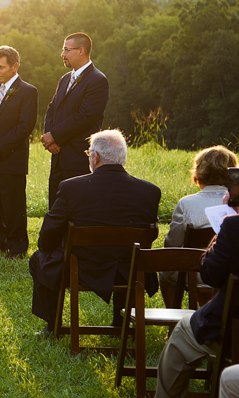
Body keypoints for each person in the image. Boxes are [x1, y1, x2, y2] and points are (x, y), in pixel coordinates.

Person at [29, 129, 160, 335]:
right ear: (122, 158)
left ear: (95, 157)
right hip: (130, 270)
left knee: (41, 258)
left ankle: (53, 326)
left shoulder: (71, 188)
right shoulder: (150, 191)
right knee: (121, 258)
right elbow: (151, 235)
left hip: (82, 270)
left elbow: (48, 234)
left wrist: (50, 248)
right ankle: (122, 322)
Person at [155, 180, 239, 398]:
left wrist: (225, 226)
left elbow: (210, 274)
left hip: (229, 326)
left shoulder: (232, 225)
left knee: (182, 333)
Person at [0, 45, 38, 259]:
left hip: (12, 158)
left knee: (13, 203)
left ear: (15, 66)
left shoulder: (28, 91)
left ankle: (17, 247)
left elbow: (24, 127)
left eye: (1, 67)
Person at [159, 145, 237, 307]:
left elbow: (171, 246)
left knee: (165, 272)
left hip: (196, 272)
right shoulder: (235, 203)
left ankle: (173, 320)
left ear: (199, 172)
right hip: (231, 272)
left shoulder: (186, 203)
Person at [41, 32, 108, 209]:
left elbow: (84, 117)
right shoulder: (64, 79)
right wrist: (49, 137)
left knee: (76, 209)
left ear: (81, 50)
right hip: (58, 157)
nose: (62, 54)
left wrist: (54, 135)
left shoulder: (98, 80)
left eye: (66, 50)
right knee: (55, 208)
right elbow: (51, 109)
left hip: (78, 158)